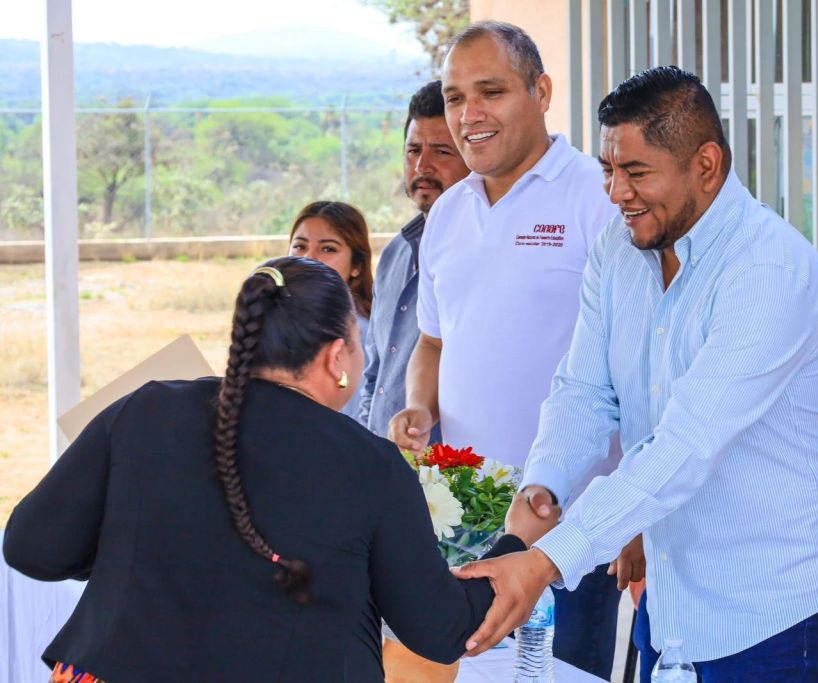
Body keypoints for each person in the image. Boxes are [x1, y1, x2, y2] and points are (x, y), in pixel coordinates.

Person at [454, 67, 818, 682]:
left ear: (706, 164)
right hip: (673, 598)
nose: (616, 192)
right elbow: (584, 391)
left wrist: (546, 562)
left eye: (637, 173)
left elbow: (684, 446)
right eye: (608, 170)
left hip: (773, 612)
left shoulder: (768, 271)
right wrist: (546, 485)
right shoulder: (620, 251)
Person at [3, 256, 557, 682]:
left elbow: (31, 546)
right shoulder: (369, 464)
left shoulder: (145, 408)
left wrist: (145, 555)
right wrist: (517, 544)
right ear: (337, 357)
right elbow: (443, 630)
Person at [387, 21, 623, 679]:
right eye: (456, 97)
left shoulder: (595, 198)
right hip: (461, 512)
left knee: (557, 673)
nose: (469, 114)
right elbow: (432, 342)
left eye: (490, 91)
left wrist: (632, 519)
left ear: (541, 91)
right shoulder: (449, 212)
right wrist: (416, 406)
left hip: (567, 524)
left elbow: (636, 368)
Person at [359, 80, 470, 439]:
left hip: (449, 477)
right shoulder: (394, 253)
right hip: (381, 465)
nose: (423, 165)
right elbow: (374, 370)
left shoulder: (482, 260)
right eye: (413, 150)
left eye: (441, 151)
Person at [288, 200, 373, 420]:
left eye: (328, 249)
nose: (308, 258)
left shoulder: (362, 336)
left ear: (357, 267)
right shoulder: (272, 322)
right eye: (300, 246)